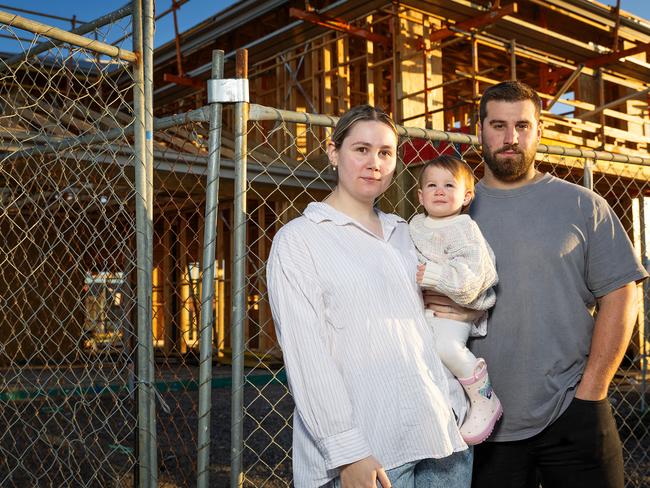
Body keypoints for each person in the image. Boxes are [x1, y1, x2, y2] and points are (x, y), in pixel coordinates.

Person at [426, 80, 647, 488]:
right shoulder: (452, 209)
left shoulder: (583, 205)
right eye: (498, 125)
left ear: (540, 131)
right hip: (483, 423)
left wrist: (593, 390)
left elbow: (621, 292)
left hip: (574, 410)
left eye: (523, 126)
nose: (511, 138)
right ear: (480, 131)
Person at [266, 105, 472, 488]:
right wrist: (348, 452)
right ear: (333, 152)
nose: (374, 162)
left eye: (385, 153)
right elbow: (306, 356)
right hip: (373, 453)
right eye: (361, 149)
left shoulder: (407, 233)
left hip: (444, 438)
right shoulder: (300, 239)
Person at [409, 155, 501, 446]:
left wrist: (436, 276)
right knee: (422, 354)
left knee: (445, 347)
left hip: (455, 311)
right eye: (432, 185)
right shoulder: (414, 226)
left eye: (449, 185)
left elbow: (475, 275)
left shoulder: (465, 228)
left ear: (466, 196)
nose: (439, 191)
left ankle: (485, 398)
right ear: (420, 196)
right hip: (425, 308)